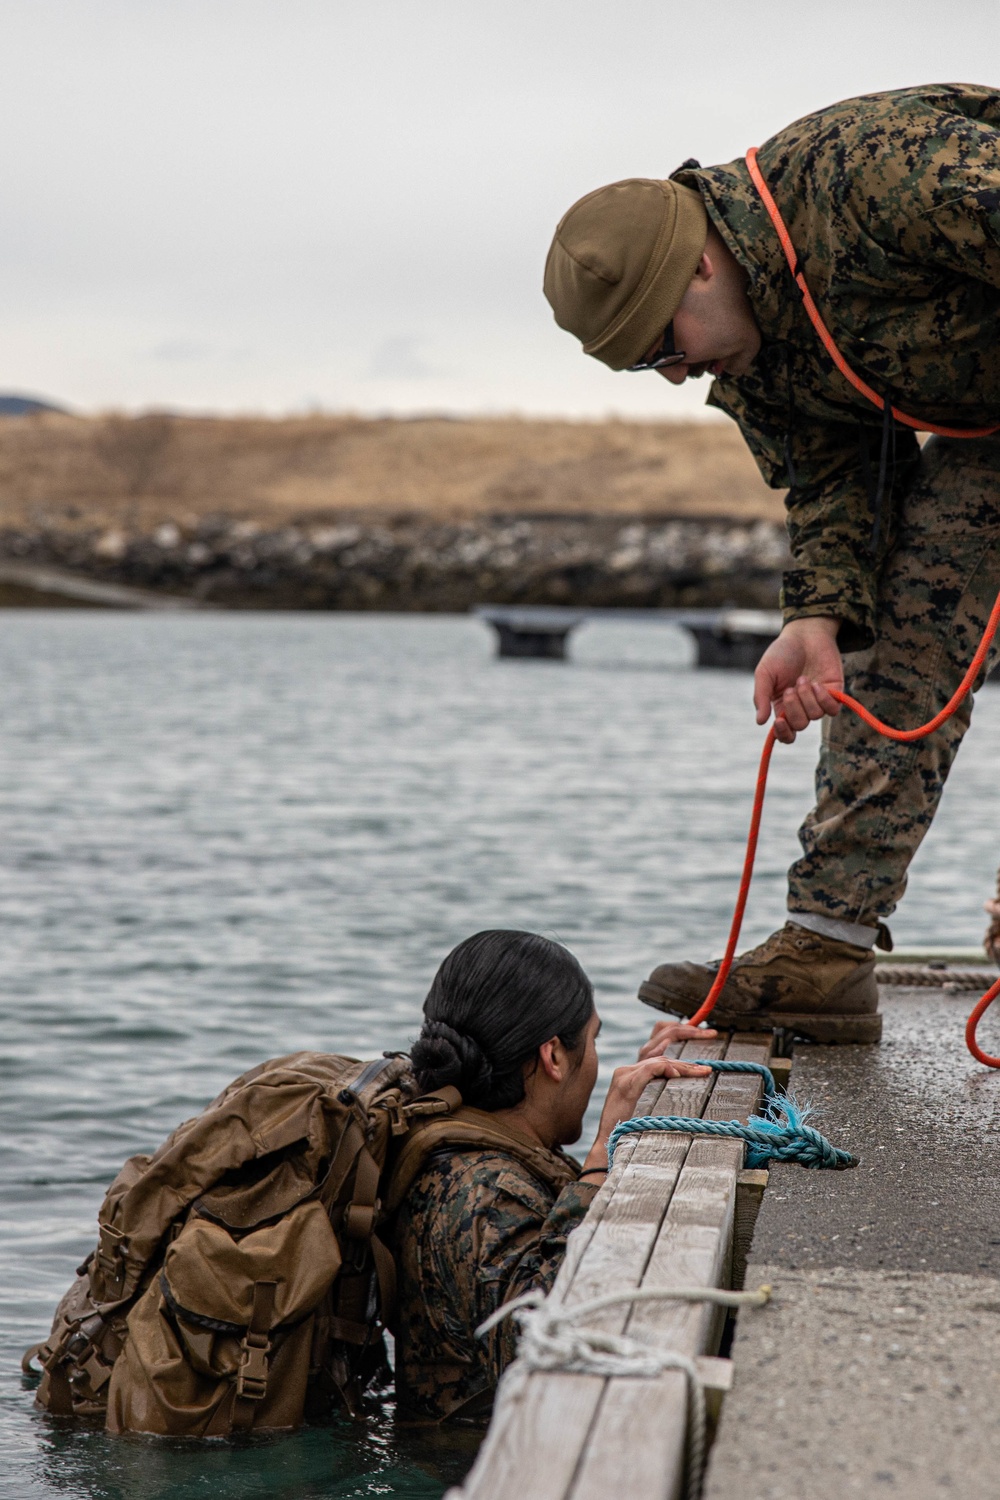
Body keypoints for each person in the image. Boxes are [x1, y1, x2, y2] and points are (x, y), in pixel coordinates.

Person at [543, 83, 1000, 1043]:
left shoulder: (876, 173)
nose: (674, 374)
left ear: (703, 265)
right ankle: (825, 951)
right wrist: (818, 619)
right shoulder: (747, 350)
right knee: (914, 605)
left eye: (663, 346)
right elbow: (837, 481)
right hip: (985, 431)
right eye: (644, 369)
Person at [391, 928, 714, 1422]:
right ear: (554, 1057)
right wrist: (605, 1151)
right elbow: (546, 1342)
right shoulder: (479, 1189)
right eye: (592, 1041)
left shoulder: (473, 1151)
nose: (598, 1062)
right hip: (473, 1466)